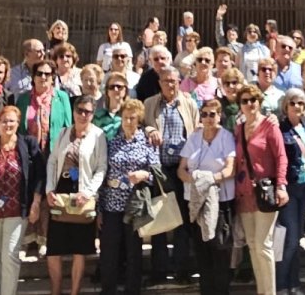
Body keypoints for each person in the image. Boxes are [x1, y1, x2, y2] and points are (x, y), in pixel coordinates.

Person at [0, 105, 45, 295]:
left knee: (10, 256)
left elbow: (40, 175)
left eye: (12, 121)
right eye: (4, 121)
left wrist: (36, 203)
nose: (8, 124)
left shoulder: (28, 144)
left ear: (18, 123)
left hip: (17, 210)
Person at [143, 67, 199, 284]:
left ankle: (181, 270)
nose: (170, 84)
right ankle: (159, 271)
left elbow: (195, 132)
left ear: (179, 82)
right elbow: (141, 125)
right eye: (166, 81)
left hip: (182, 169)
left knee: (182, 222)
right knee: (160, 221)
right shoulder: (150, 104)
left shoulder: (189, 103)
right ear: (160, 83)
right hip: (159, 169)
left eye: (174, 81)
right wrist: (149, 130)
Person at [45, 95, 106, 295]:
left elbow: (101, 168)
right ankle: (56, 291)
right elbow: (52, 161)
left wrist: (88, 193)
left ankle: (74, 292)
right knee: (54, 248)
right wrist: (49, 189)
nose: (83, 115)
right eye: (80, 110)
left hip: (83, 192)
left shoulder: (98, 135)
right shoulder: (63, 133)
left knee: (80, 249)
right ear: (74, 111)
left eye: (88, 112)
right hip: (61, 190)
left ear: (93, 114)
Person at [98, 97, 157, 295]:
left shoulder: (147, 143)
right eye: (125, 118)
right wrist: (99, 208)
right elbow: (102, 172)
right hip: (111, 204)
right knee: (109, 251)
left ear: (139, 120)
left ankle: (133, 290)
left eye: (132, 118)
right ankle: (108, 290)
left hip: (135, 205)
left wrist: (144, 175)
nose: (128, 122)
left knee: (133, 252)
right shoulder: (111, 142)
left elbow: (158, 173)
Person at [179, 99, 236, 295]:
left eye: (212, 114)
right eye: (204, 114)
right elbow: (181, 169)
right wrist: (196, 181)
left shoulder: (226, 137)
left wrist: (209, 180)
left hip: (221, 201)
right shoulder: (194, 138)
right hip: (196, 202)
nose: (208, 118)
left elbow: (230, 169)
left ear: (219, 116)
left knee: (219, 250)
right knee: (201, 251)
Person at [235, 83, 287, 295]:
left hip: (266, 191)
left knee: (263, 244)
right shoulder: (238, 128)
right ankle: (261, 291)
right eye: (244, 101)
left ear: (259, 102)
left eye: (253, 100)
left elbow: (281, 157)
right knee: (252, 244)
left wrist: (281, 185)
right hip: (243, 192)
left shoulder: (269, 125)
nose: (249, 104)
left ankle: (270, 292)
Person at [276, 88, 305, 295]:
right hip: (289, 187)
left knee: (297, 237)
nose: (297, 106)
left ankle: (294, 283)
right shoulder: (280, 129)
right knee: (291, 239)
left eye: (301, 103)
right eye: (293, 103)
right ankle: (281, 285)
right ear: (286, 106)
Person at [17, 59, 74, 152]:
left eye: (47, 74)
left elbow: (67, 126)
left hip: (54, 150)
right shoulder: (23, 98)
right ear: (34, 77)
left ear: (52, 78)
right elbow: (18, 127)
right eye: (39, 73)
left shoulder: (62, 97)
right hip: (28, 150)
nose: (43, 77)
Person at [94, 71, 129, 139]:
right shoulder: (97, 115)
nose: (115, 89)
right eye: (111, 87)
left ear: (125, 90)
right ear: (107, 91)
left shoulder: (131, 114)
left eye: (119, 87)